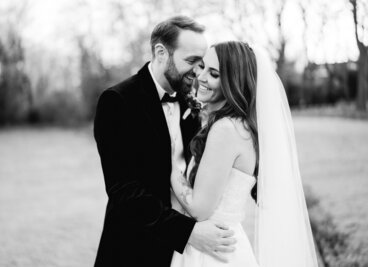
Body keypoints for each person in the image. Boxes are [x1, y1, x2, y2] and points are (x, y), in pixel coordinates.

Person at [93, 16, 236, 267]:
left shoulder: (193, 101)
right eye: (191, 61)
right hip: (135, 248)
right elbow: (123, 190)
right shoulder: (117, 101)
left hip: (188, 253)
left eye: (202, 64)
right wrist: (187, 232)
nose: (198, 72)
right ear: (161, 53)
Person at [170, 41, 319, 266]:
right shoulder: (243, 126)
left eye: (214, 73)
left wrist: (170, 166)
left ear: (233, 81)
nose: (200, 77)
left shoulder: (226, 129)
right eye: (201, 67)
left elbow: (199, 208)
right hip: (227, 244)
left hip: (211, 250)